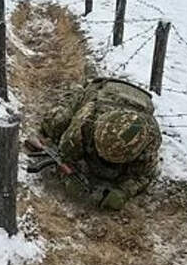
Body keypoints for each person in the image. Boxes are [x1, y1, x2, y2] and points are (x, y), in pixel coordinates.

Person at [40, 78, 161, 210]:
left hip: (140, 100)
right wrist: (68, 176)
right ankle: (79, 90)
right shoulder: (87, 119)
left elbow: (145, 175)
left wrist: (123, 192)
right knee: (54, 124)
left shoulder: (150, 139)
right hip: (102, 91)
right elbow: (63, 154)